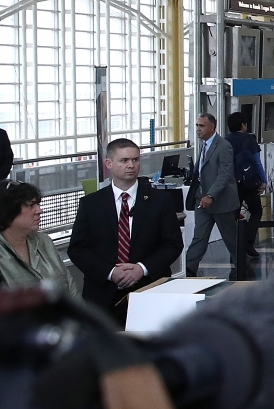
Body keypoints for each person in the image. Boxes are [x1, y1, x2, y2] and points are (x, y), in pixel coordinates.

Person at [68, 139, 182, 320]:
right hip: (102, 296)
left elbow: (173, 244)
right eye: (124, 160)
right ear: (109, 164)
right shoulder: (91, 204)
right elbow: (78, 248)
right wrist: (111, 272)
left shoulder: (160, 200)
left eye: (135, 160)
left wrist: (141, 269)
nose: (131, 165)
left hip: (150, 289)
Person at [184, 113, 241, 277]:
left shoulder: (223, 146)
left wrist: (211, 195)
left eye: (201, 126)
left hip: (221, 203)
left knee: (232, 240)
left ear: (212, 127)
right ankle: (189, 268)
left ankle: (243, 266)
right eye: (197, 126)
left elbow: (225, 175)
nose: (198, 129)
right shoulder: (203, 145)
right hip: (202, 202)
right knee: (199, 237)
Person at [0, 180, 78, 296]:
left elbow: (70, 287)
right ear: (9, 210)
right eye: (31, 205)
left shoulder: (44, 241)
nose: (39, 211)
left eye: (38, 204)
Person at [225, 112, 265, 259]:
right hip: (249, 183)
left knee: (234, 215)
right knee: (256, 211)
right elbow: (257, 162)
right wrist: (263, 180)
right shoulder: (249, 139)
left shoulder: (224, 141)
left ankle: (235, 248)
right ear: (243, 125)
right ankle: (248, 242)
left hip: (231, 184)